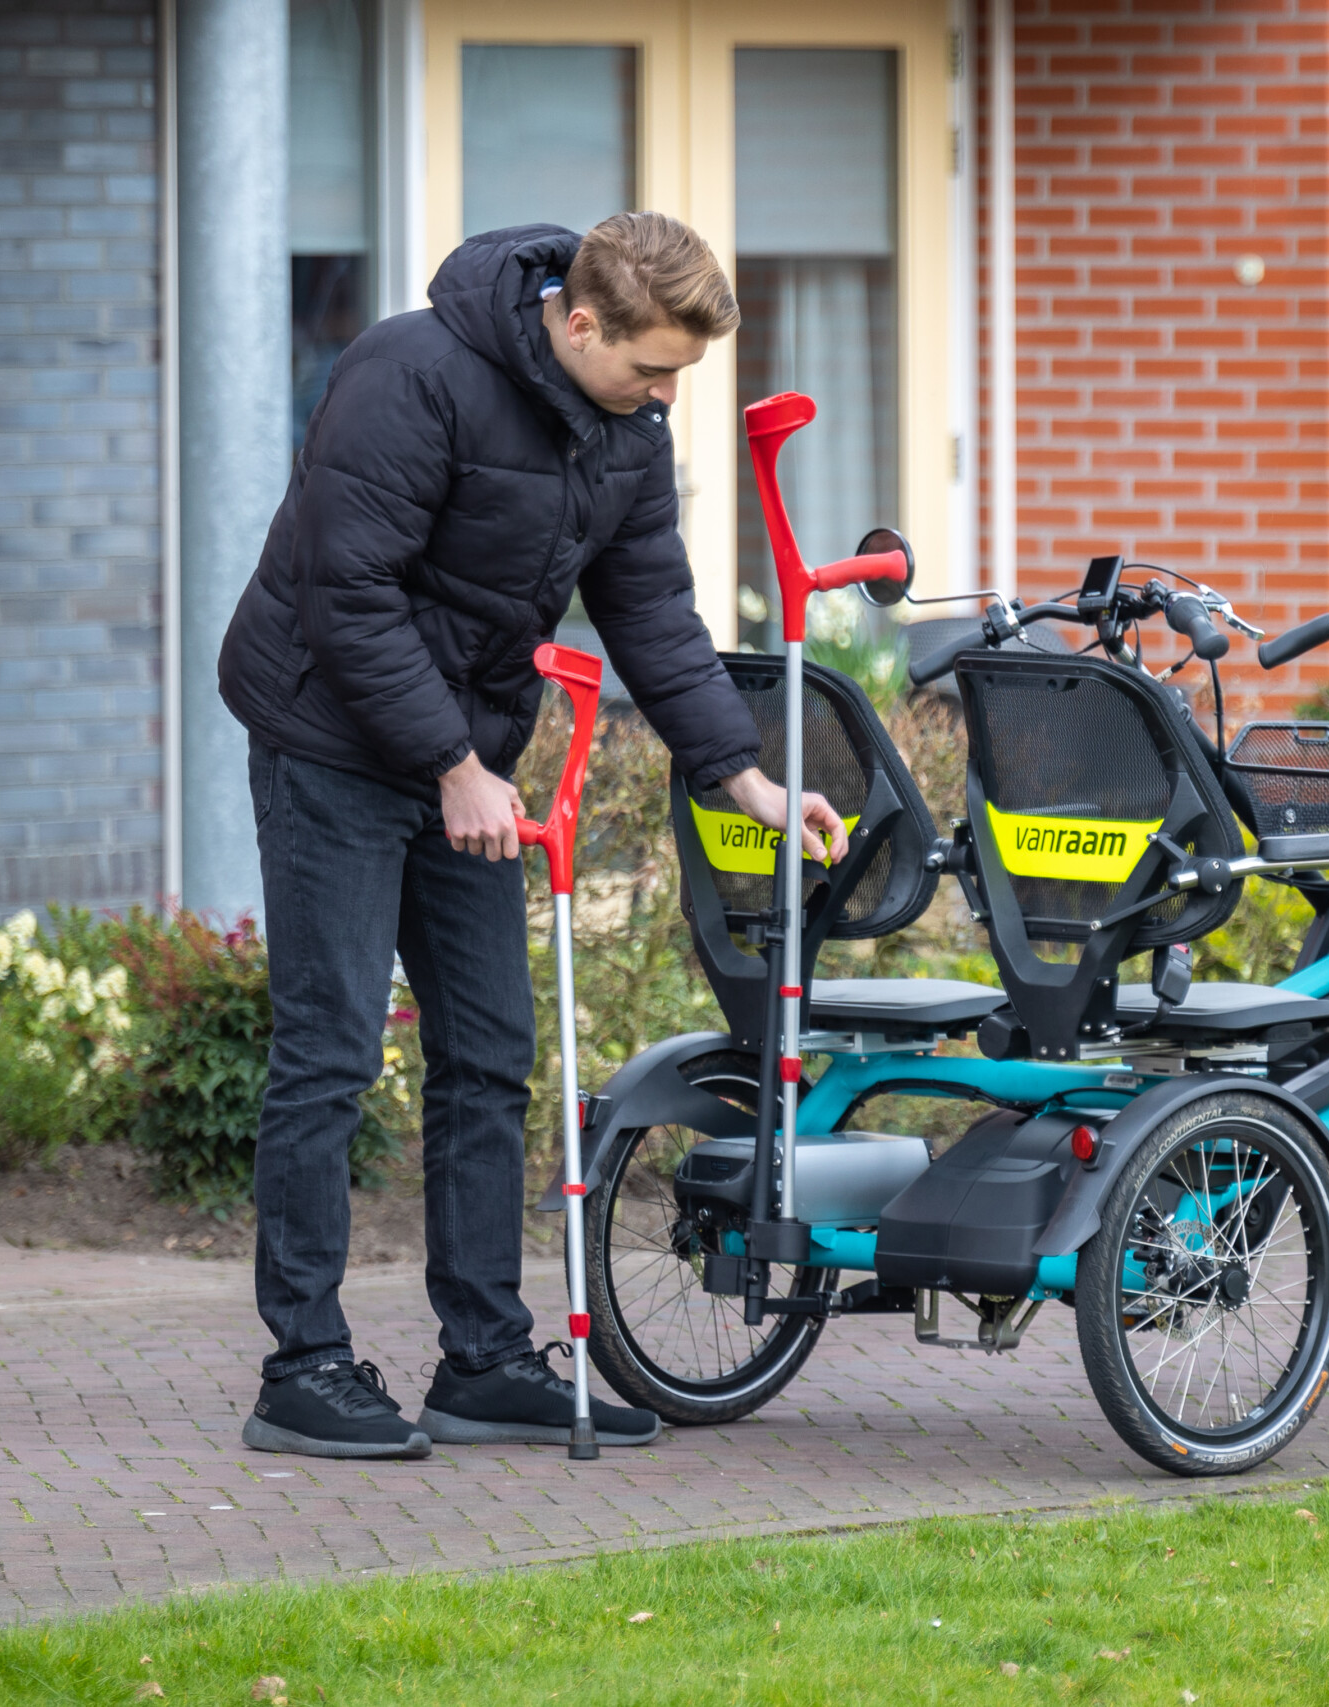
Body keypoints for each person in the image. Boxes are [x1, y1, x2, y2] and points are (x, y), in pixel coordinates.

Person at [218, 213, 845, 1459]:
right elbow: (349, 593)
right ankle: (304, 1366)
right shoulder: (408, 376)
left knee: (490, 1055)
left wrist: (740, 776)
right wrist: (451, 764)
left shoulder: (623, 427)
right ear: (576, 323)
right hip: (329, 736)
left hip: (466, 759)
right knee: (332, 1053)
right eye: (651, 367)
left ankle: (484, 1359)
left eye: (678, 377)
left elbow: (649, 604)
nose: (665, 395)